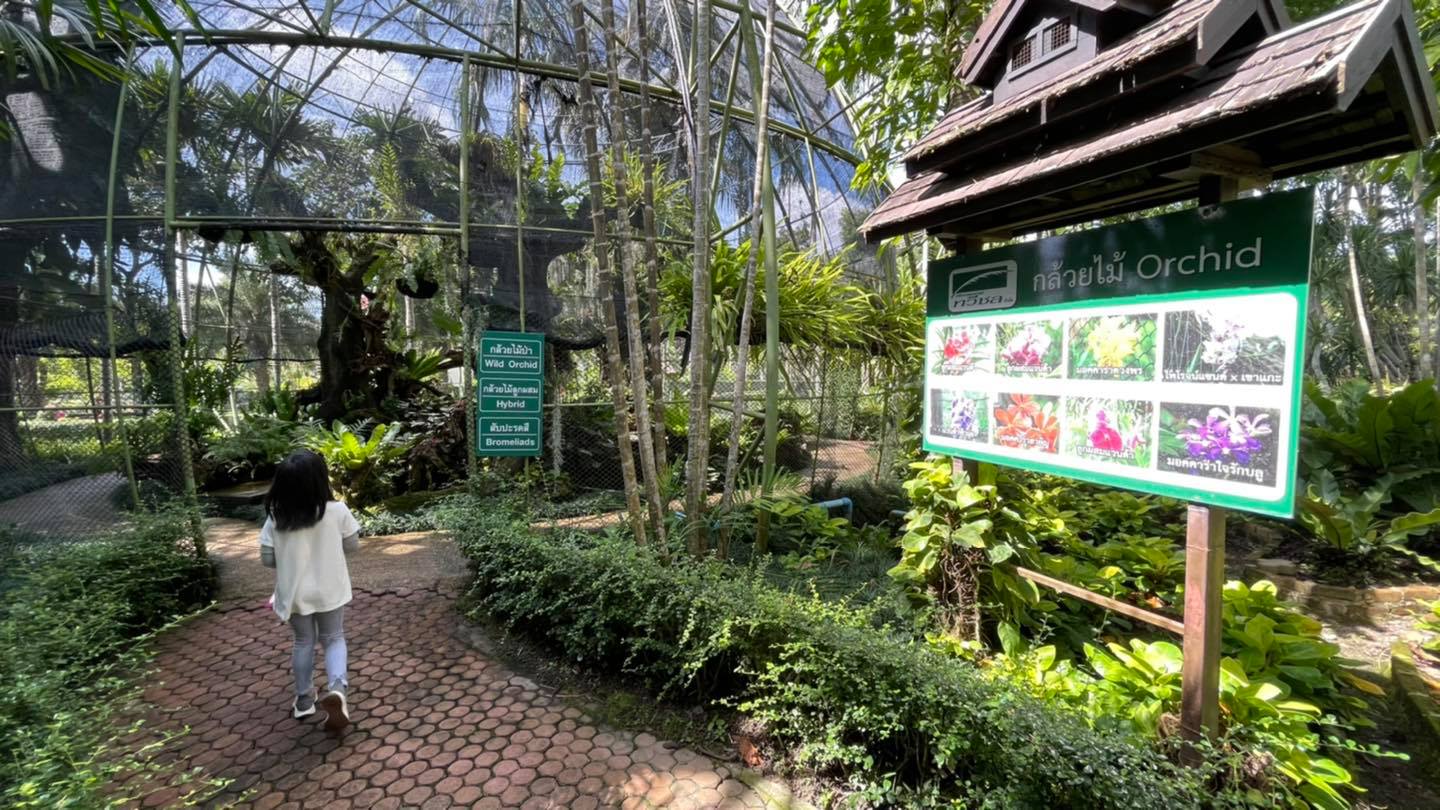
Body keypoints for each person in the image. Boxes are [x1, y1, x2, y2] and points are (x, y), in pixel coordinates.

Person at [260, 449, 360, 731]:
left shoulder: (276, 517)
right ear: (320, 479)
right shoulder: (337, 511)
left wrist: (289, 557)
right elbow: (352, 545)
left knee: (303, 641)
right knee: (334, 637)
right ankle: (337, 689)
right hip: (330, 588)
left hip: (294, 593)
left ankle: (304, 699)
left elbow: (267, 559)